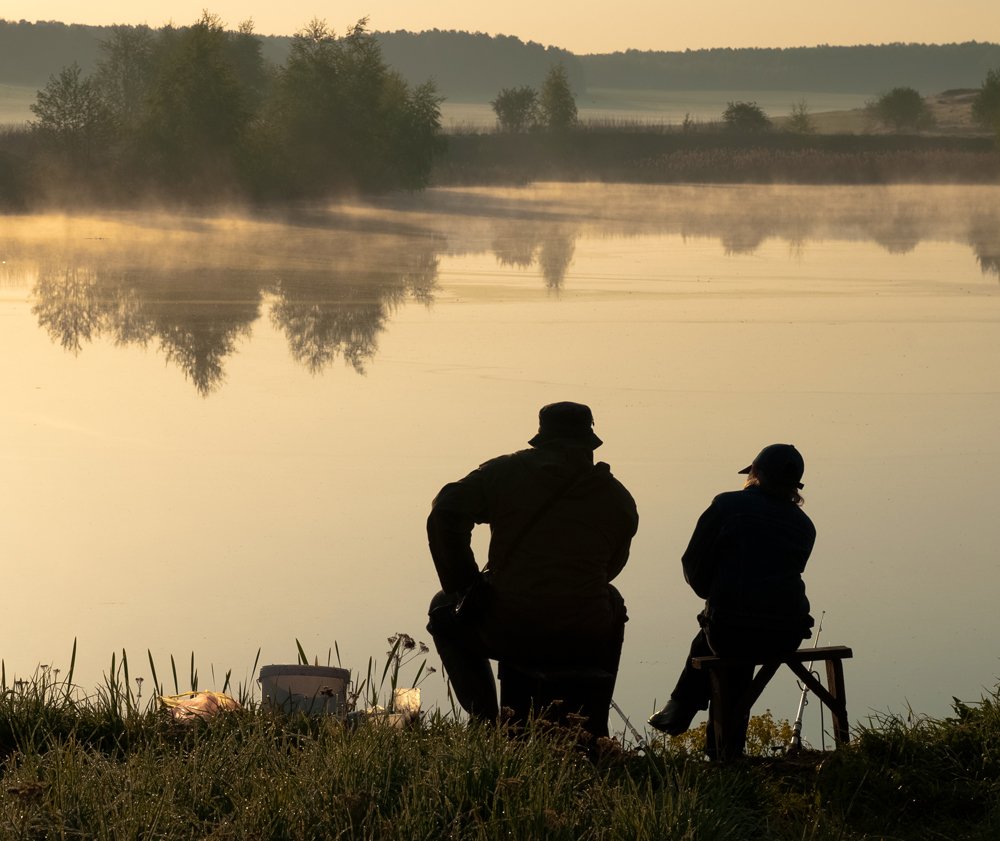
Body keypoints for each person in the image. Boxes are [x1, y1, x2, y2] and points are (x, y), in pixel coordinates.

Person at [426, 401, 639, 735]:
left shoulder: (504, 473)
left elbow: (445, 512)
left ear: (541, 441)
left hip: (510, 628)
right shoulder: (618, 499)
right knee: (611, 600)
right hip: (583, 633)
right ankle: (593, 725)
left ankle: (485, 721)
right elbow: (610, 568)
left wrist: (465, 583)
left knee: (443, 605)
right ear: (590, 445)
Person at [648, 443, 816, 740]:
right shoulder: (805, 526)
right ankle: (695, 723)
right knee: (725, 630)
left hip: (734, 630)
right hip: (787, 633)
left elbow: (694, 565)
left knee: (720, 631)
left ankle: (694, 721)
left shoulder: (727, 506)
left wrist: (711, 592)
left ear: (755, 475)